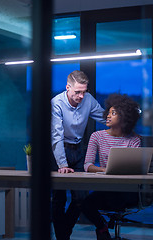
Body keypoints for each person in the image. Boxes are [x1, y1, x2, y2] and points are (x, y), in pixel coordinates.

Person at [51, 70, 105, 240]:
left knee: (81, 198)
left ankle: (63, 233)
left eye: (84, 91)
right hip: (58, 151)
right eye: (77, 92)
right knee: (59, 199)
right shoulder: (56, 103)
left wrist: (123, 120)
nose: (81, 96)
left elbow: (104, 117)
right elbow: (56, 136)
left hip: (78, 150)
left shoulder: (87, 99)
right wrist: (62, 164)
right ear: (68, 88)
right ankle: (63, 237)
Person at [82, 93, 141, 240]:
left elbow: (134, 167)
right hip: (107, 189)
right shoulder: (97, 136)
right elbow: (87, 165)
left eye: (113, 113)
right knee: (84, 204)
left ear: (124, 117)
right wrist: (104, 170)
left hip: (127, 191)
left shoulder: (134, 140)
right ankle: (102, 227)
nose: (107, 116)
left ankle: (109, 228)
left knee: (115, 199)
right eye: (108, 113)